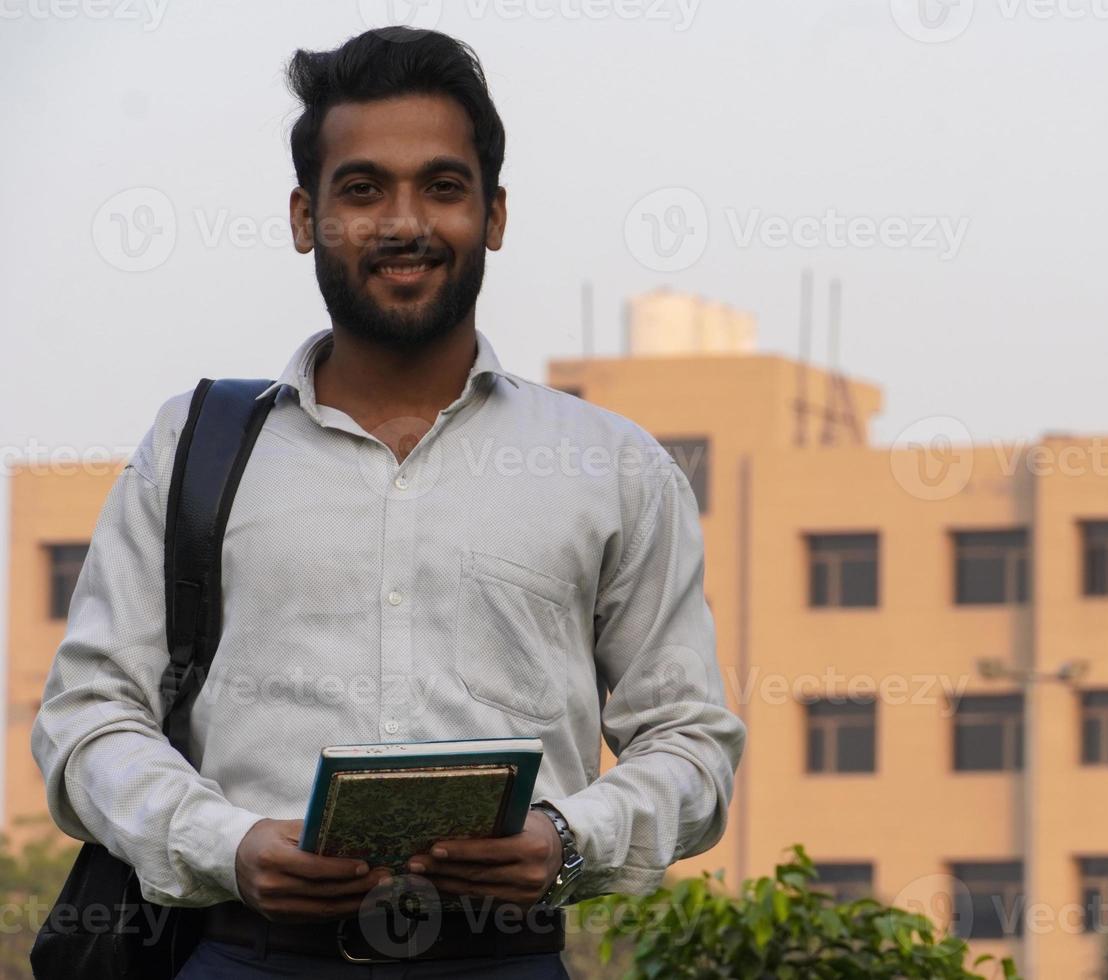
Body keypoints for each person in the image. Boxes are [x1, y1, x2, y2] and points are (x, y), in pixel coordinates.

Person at [31, 27, 744, 977]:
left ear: (492, 215)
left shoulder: (610, 465)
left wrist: (569, 839)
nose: (404, 221)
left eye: (442, 188)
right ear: (304, 217)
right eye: (362, 189)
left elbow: (691, 741)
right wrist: (225, 844)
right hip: (243, 953)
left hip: (504, 960)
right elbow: (88, 718)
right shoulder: (192, 448)